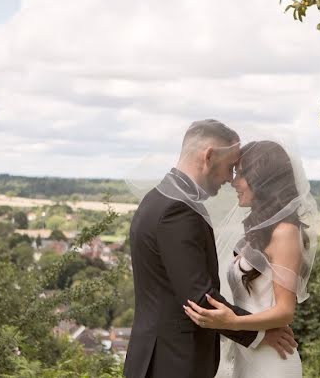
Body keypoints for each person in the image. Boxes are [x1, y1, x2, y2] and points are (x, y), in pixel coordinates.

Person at [123, 121, 297, 378]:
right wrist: (259, 333)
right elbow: (200, 298)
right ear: (209, 156)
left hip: (159, 357)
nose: (230, 179)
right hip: (172, 362)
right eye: (230, 168)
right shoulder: (177, 210)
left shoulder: (157, 199)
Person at [184, 140, 320, 378]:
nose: (234, 182)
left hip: (272, 362)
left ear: (264, 180)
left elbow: (286, 311)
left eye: (242, 175)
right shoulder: (258, 231)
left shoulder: (285, 231)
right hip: (248, 353)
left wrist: (232, 322)